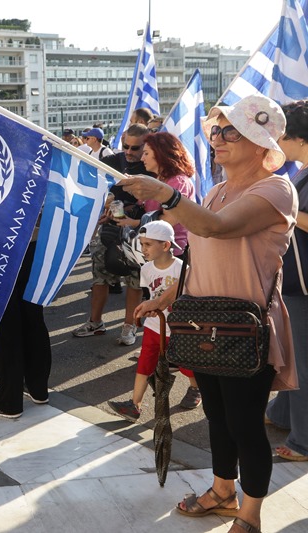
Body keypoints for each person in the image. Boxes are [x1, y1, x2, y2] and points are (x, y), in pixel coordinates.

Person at [123, 94, 297, 533]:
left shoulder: (275, 189)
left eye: (230, 131)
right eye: (216, 130)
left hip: (245, 327)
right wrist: (166, 298)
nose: (217, 139)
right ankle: (222, 491)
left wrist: (165, 194)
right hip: (205, 322)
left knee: (244, 423)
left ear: (261, 144)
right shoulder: (216, 191)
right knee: (217, 418)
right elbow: (199, 256)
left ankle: (250, 515)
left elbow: (213, 228)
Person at [107, 221, 200, 422]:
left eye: (148, 244)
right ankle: (135, 405)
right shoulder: (146, 269)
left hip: (178, 328)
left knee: (185, 365)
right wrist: (148, 309)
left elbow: (188, 299)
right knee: (145, 362)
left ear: (166, 246)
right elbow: (150, 295)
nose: (143, 249)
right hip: (154, 326)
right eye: (141, 243)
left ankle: (196, 388)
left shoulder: (182, 268)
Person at [71, 124, 151, 345]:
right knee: (100, 276)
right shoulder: (113, 161)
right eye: (126, 146)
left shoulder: (152, 166)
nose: (129, 152)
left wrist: (135, 211)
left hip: (139, 233)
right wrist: (102, 203)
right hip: (110, 229)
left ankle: (129, 326)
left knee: (134, 281)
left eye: (136, 148)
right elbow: (91, 185)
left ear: (147, 145)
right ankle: (95, 322)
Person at [266, 99, 308, 463]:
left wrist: (287, 212)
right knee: (293, 358)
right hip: (296, 281)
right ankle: (282, 415)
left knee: (303, 362)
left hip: (305, 285)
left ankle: (304, 441)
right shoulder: (302, 170)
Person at [0, 231, 52, 418]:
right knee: (33, 318)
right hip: (32, 242)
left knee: (5, 325)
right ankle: (38, 387)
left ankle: (9, 400)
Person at [112, 131, 196, 254]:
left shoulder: (178, 181)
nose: (142, 158)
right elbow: (145, 209)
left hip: (172, 253)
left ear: (160, 154)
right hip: (155, 251)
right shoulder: (159, 179)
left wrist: (133, 223)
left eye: (146, 153)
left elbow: (168, 221)